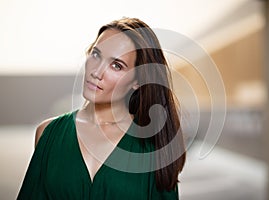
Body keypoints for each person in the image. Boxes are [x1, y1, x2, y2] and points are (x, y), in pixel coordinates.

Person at [17, 17, 186, 200]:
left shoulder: (153, 149)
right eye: (96, 55)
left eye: (116, 65)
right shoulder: (48, 133)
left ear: (137, 81)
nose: (96, 72)